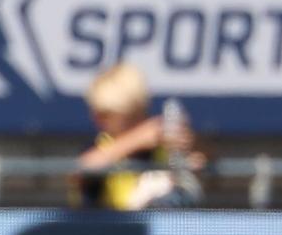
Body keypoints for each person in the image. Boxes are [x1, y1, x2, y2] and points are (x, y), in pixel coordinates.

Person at [71, 61, 201, 209]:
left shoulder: (163, 146)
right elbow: (81, 170)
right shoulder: (100, 146)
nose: (96, 119)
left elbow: (204, 159)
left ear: (133, 112)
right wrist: (139, 138)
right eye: (96, 112)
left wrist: (190, 148)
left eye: (106, 114)